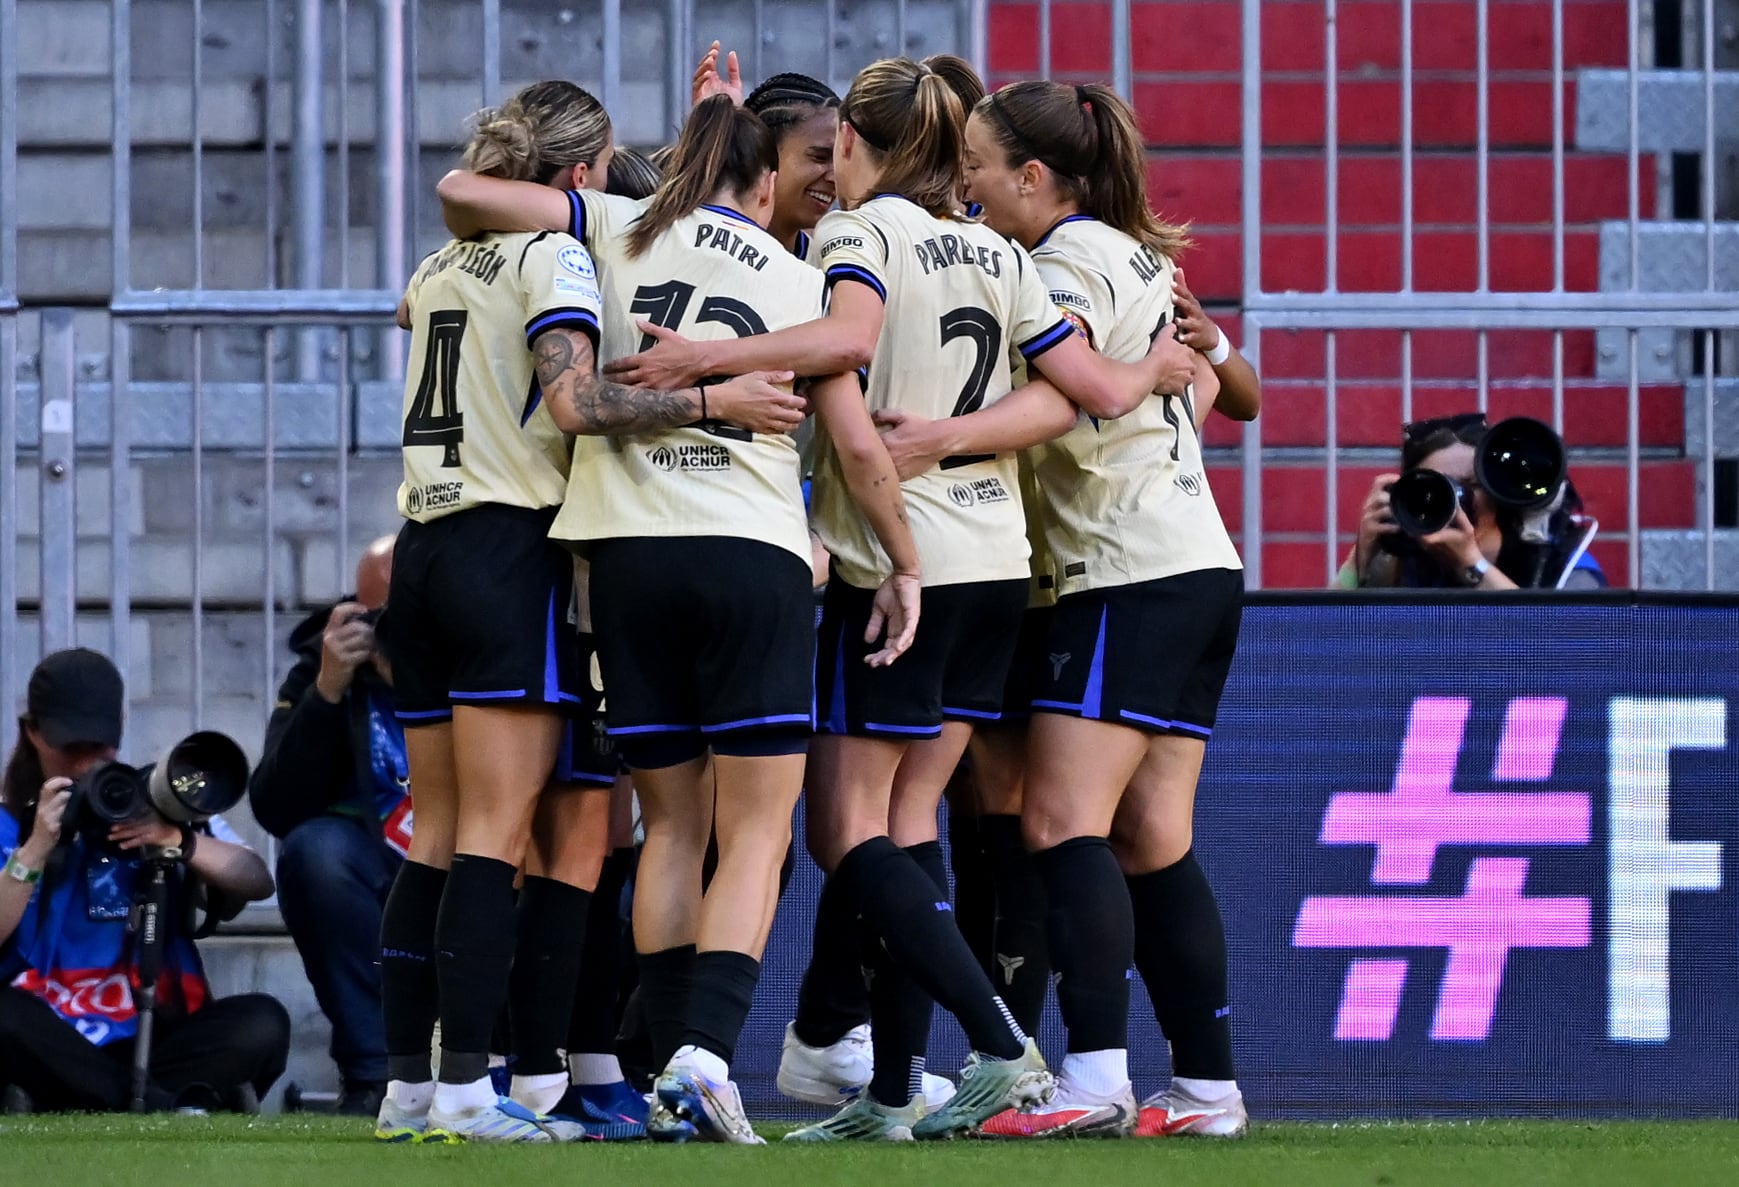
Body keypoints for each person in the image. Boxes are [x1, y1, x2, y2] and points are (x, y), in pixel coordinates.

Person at [375, 79, 799, 1146]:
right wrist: (715, 399)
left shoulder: (437, 262)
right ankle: (473, 1089)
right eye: (605, 165)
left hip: (420, 544)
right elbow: (574, 403)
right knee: (495, 832)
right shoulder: (554, 255)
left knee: (435, 831)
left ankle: (406, 1084)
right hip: (506, 548)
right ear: (575, 176)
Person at [872, 78, 1250, 1139]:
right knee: (1152, 835)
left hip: (1117, 566)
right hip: (1196, 559)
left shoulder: (1064, 263)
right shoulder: (1142, 255)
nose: (968, 185)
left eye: (981, 168)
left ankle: (1091, 1076)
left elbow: (1070, 387)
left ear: (1031, 176)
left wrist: (931, 440)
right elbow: (1213, 386)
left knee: (1056, 822)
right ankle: (1207, 1087)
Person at [543, 95, 921, 1145]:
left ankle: (668, 1070)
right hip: (748, 555)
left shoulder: (612, 237)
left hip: (621, 552)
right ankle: (707, 1056)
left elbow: (487, 195)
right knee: (755, 831)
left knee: (670, 826)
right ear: (765, 186)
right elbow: (850, 442)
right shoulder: (801, 284)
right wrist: (902, 558)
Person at [0, 650, 285, 1113]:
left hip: (151, 1033)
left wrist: (178, 841)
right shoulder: (7, 819)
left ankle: (111, 1101)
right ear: (32, 732)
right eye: (71, 747)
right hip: (49, 1032)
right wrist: (35, 848)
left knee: (262, 1021)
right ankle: (163, 1107)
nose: (87, 763)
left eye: (100, 746)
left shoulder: (147, 799)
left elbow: (254, 880)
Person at [249, 534, 403, 1118]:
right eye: (382, 620)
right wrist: (328, 692)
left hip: (472, 857)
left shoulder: (480, 659)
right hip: (377, 864)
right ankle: (373, 1073)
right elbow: (276, 808)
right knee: (316, 852)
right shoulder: (324, 668)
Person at [1339, 411, 1606, 590]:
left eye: (1471, 484)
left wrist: (1471, 564)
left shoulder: (1565, 568)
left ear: (1502, 493)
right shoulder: (1399, 564)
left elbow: (1569, 654)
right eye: (1436, 484)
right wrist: (1358, 561)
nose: (1453, 496)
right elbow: (1319, 649)